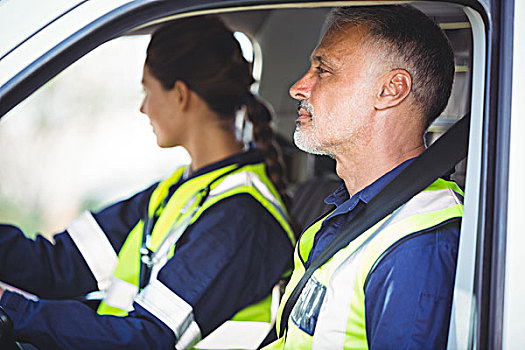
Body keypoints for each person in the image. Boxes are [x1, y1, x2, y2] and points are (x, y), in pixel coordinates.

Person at [0, 16, 295, 349]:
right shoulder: (174, 192)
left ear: (180, 95)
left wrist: (11, 309)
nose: (143, 107)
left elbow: (149, 338)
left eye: (147, 90)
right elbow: (59, 268)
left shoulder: (240, 217)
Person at [265, 5, 463, 349]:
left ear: (390, 90)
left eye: (323, 70)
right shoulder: (349, 215)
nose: (298, 88)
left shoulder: (418, 244)